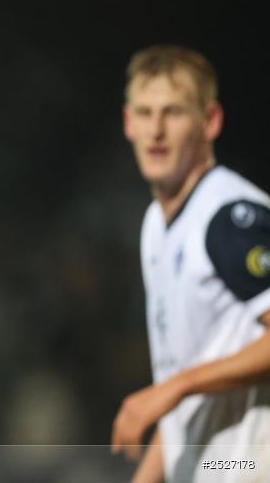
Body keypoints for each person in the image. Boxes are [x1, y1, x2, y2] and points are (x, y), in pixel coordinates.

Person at [112, 45, 270, 483]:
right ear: (128, 123)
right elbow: (188, 389)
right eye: (144, 113)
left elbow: (181, 386)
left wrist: (175, 388)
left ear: (211, 121)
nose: (156, 130)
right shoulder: (156, 225)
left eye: (174, 112)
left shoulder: (227, 218)